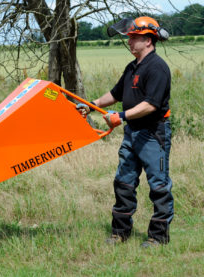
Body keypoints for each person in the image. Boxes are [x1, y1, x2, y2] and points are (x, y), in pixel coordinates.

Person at [77, 16, 173, 248]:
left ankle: (158, 236)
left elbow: (151, 105)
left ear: (148, 40)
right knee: (124, 183)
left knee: (158, 186)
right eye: (129, 37)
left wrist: (121, 116)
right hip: (132, 133)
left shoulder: (158, 68)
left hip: (153, 134)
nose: (129, 42)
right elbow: (116, 94)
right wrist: (91, 105)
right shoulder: (132, 67)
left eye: (134, 38)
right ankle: (120, 232)